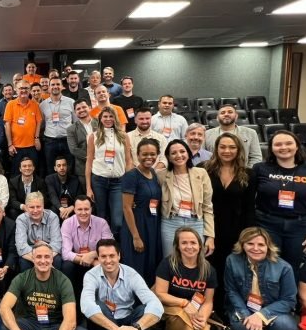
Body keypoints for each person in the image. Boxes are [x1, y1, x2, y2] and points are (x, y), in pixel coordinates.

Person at [253, 130, 306, 283]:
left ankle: (289, 297)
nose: (283, 147)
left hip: (299, 226)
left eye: (288, 143)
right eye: (278, 144)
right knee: (266, 265)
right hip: (267, 224)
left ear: (297, 146)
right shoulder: (260, 169)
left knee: (292, 267)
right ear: (271, 148)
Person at [224, 227, 298, 330]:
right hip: (244, 307)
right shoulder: (232, 260)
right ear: (242, 245)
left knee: (287, 327)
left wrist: (261, 315)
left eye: (261, 245)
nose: (256, 248)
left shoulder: (284, 267)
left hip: (270, 311)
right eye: (250, 244)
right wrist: (246, 315)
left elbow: (289, 300)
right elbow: (231, 291)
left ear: (268, 246)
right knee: (244, 329)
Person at [203, 132, 257, 312]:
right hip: (209, 229)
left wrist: (248, 236)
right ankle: (209, 308)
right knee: (209, 269)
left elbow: (250, 207)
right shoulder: (203, 169)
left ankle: (228, 310)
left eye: (232, 147)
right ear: (216, 149)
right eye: (223, 147)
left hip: (236, 230)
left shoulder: (249, 174)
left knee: (231, 270)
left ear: (239, 149)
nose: (227, 151)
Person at [154, 228, 216, 330]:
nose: (189, 246)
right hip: (169, 304)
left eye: (193, 243)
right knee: (180, 318)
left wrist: (202, 318)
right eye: (184, 243)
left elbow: (208, 301)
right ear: (177, 246)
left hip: (193, 308)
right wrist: (184, 303)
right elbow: (160, 294)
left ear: (200, 245)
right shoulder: (168, 263)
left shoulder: (209, 270)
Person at [157, 139, 215, 259]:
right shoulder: (161, 175)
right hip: (171, 222)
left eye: (182, 151)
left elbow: (207, 207)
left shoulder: (201, 173)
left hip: (196, 221)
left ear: (188, 153)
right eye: (173, 153)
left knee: (196, 260)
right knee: (170, 260)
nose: (179, 155)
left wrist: (210, 236)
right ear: (168, 157)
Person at [86, 106, 134, 238]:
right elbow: (89, 161)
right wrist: (88, 188)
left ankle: (114, 244)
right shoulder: (93, 136)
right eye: (105, 116)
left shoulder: (124, 136)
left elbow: (128, 160)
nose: (108, 119)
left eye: (111, 116)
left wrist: (128, 182)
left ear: (115, 118)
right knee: (101, 216)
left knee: (117, 220)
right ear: (100, 119)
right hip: (99, 181)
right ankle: (102, 244)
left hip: (118, 182)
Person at [121, 138, 163, 285]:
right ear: (137, 155)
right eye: (144, 154)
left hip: (153, 223)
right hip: (137, 225)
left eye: (152, 154)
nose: (149, 157)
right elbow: (126, 207)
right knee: (137, 266)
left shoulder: (153, 173)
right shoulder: (131, 175)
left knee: (151, 264)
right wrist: (136, 237)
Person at [60, 195, 113, 292]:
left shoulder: (102, 223)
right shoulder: (67, 223)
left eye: (86, 209)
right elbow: (66, 253)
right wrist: (89, 260)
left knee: (107, 262)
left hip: (97, 260)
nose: (83, 212)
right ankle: (71, 297)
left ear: (91, 209)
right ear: (74, 210)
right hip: (77, 261)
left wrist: (93, 255)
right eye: (79, 209)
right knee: (67, 266)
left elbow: (110, 247)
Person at [14, 192, 63, 271]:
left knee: (57, 260)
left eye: (38, 206)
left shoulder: (53, 217)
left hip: (49, 251)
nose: (35, 210)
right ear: (26, 207)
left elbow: (56, 244)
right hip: (30, 253)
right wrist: (39, 260)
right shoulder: (21, 219)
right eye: (32, 207)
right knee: (24, 262)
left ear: (43, 206)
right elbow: (21, 247)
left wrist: (46, 258)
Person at [3, 80, 43, 173]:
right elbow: (7, 125)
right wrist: (10, 144)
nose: (24, 90)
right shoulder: (10, 104)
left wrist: (37, 138)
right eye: (21, 88)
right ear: (16, 90)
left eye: (26, 88)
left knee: (32, 172)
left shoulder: (35, 105)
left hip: (32, 146)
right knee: (16, 173)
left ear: (29, 90)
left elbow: (39, 122)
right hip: (16, 147)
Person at [40, 76, 76, 175]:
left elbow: (75, 122)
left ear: (62, 86)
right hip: (50, 141)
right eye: (53, 84)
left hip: (67, 140)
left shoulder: (71, 102)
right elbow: (42, 124)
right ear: (49, 87)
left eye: (57, 84)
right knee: (50, 168)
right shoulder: (42, 105)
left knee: (69, 168)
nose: (55, 86)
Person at [66, 98, 97, 189]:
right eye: (78, 109)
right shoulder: (71, 129)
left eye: (84, 107)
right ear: (75, 112)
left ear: (90, 108)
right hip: (82, 168)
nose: (81, 110)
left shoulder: (100, 123)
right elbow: (73, 149)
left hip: (102, 166)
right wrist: (91, 158)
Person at [45, 156, 82, 223]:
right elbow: (52, 196)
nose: (62, 168)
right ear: (55, 168)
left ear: (67, 167)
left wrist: (72, 207)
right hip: (57, 207)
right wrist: (61, 209)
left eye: (64, 165)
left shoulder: (75, 180)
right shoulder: (49, 179)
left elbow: (79, 197)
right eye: (59, 166)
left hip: (71, 206)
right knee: (52, 212)